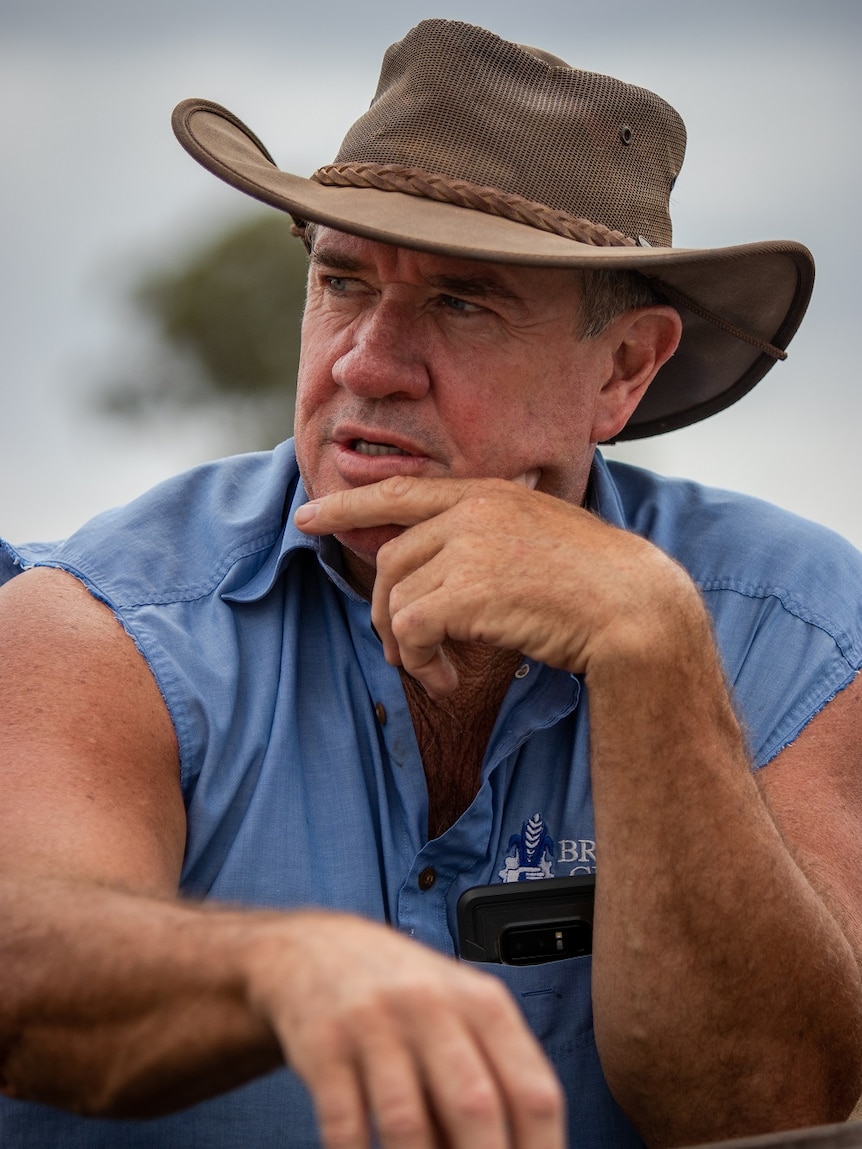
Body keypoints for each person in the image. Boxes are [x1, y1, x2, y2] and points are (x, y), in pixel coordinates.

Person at [2, 17, 862, 1149]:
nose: (364, 362)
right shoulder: (104, 616)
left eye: (462, 302)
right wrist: (284, 964)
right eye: (342, 282)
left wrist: (653, 649)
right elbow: (23, 971)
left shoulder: (791, 621)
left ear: (623, 368)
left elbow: (776, 1100)